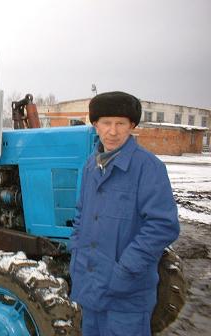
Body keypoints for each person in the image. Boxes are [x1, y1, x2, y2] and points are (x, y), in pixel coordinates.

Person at [69, 91, 179, 335]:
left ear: (132, 126)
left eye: (120, 123)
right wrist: (76, 254)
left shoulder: (148, 167)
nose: (113, 131)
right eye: (106, 123)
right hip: (90, 288)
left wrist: (127, 269)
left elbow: (163, 226)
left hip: (127, 294)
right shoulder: (90, 166)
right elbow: (81, 214)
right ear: (95, 125)